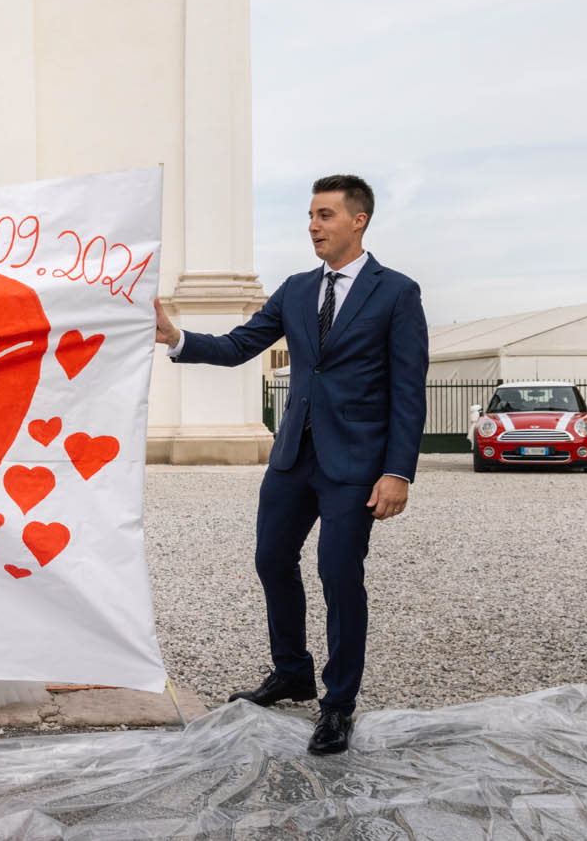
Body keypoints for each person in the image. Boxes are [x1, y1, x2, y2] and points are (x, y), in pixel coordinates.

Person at [154, 174, 426, 756]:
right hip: (291, 458)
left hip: (355, 464)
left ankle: (338, 703)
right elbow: (238, 346)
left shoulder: (397, 292)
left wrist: (398, 471)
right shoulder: (297, 290)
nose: (313, 226)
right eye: (309, 215)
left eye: (325, 215)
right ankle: (292, 671)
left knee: (338, 575)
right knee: (272, 559)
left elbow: (408, 390)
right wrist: (177, 338)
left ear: (359, 220)